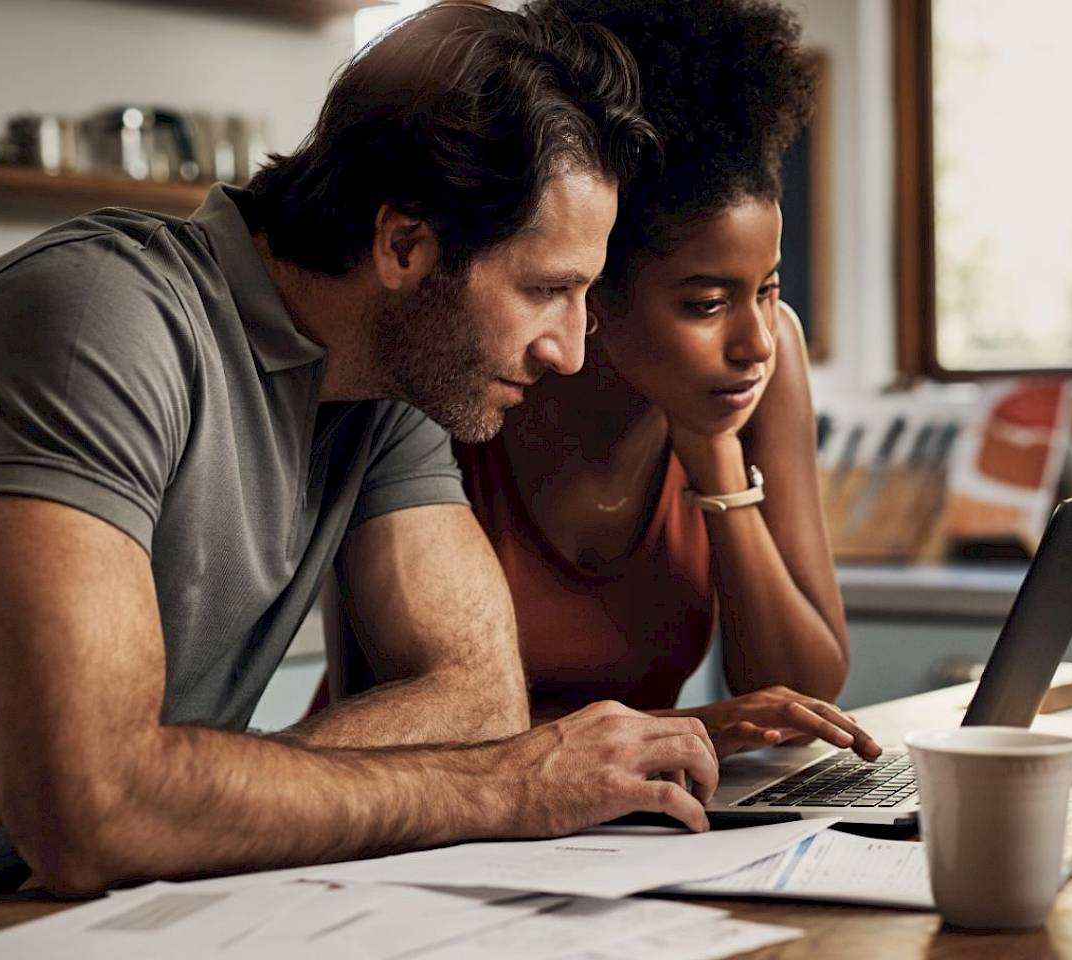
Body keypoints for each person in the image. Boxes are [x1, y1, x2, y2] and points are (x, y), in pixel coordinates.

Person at [0, 4, 724, 950]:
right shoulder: (95, 320)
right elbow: (90, 811)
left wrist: (192, 798)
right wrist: (503, 790)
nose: (570, 351)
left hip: (120, 905)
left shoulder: (391, 382)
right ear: (404, 244)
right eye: (546, 290)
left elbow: (476, 697)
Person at [320, 0, 882, 762]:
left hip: (619, 825)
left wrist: (714, 455)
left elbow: (805, 691)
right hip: (420, 817)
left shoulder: (760, 368)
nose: (753, 340)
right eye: (706, 303)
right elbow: (389, 712)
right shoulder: (463, 377)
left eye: (770, 287)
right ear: (594, 288)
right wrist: (688, 728)